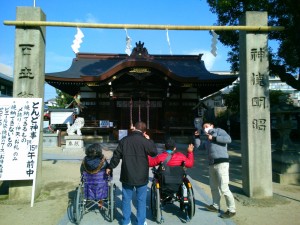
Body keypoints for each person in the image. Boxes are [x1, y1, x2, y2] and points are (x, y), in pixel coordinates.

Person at [106, 121, 157, 225]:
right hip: (141, 176)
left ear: (134, 129)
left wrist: (110, 167)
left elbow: (116, 156)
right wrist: (149, 140)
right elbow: (154, 152)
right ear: (144, 131)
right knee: (141, 201)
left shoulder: (124, 140)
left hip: (127, 175)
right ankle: (141, 222)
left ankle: (126, 221)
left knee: (126, 199)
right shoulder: (145, 141)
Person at [201, 121, 236, 218]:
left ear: (212, 125)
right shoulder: (207, 138)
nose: (205, 128)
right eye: (204, 127)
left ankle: (231, 210)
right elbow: (200, 147)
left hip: (222, 163)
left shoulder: (219, 131)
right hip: (212, 164)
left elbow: (228, 139)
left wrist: (214, 137)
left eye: (207, 126)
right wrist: (196, 138)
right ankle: (215, 206)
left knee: (224, 188)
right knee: (213, 186)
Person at [80, 143, 109, 208]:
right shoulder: (103, 161)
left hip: (88, 185)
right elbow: (109, 170)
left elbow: (82, 171)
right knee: (104, 180)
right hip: (101, 185)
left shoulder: (84, 160)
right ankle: (101, 201)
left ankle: (89, 198)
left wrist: (82, 178)